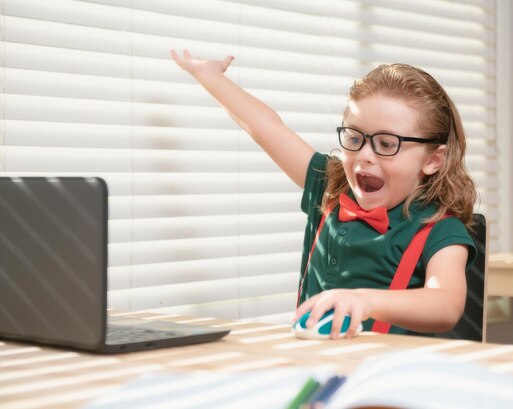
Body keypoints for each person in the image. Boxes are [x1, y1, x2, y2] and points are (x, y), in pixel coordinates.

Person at [171, 50, 477, 339]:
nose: (365, 155)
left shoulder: (440, 228)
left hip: (379, 378)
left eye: (386, 144)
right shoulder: (329, 188)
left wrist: (365, 301)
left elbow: (446, 304)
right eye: (355, 137)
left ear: (432, 159)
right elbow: (264, 125)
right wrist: (209, 75)